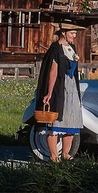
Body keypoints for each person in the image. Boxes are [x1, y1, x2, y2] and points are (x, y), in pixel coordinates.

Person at [34, 21, 85, 161]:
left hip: (72, 88)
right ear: (64, 33)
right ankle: (54, 155)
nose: (74, 36)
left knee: (71, 121)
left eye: (75, 33)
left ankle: (66, 153)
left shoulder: (72, 48)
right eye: (72, 33)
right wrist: (49, 92)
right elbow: (53, 72)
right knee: (55, 122)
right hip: (59, 88)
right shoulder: (56, 49)